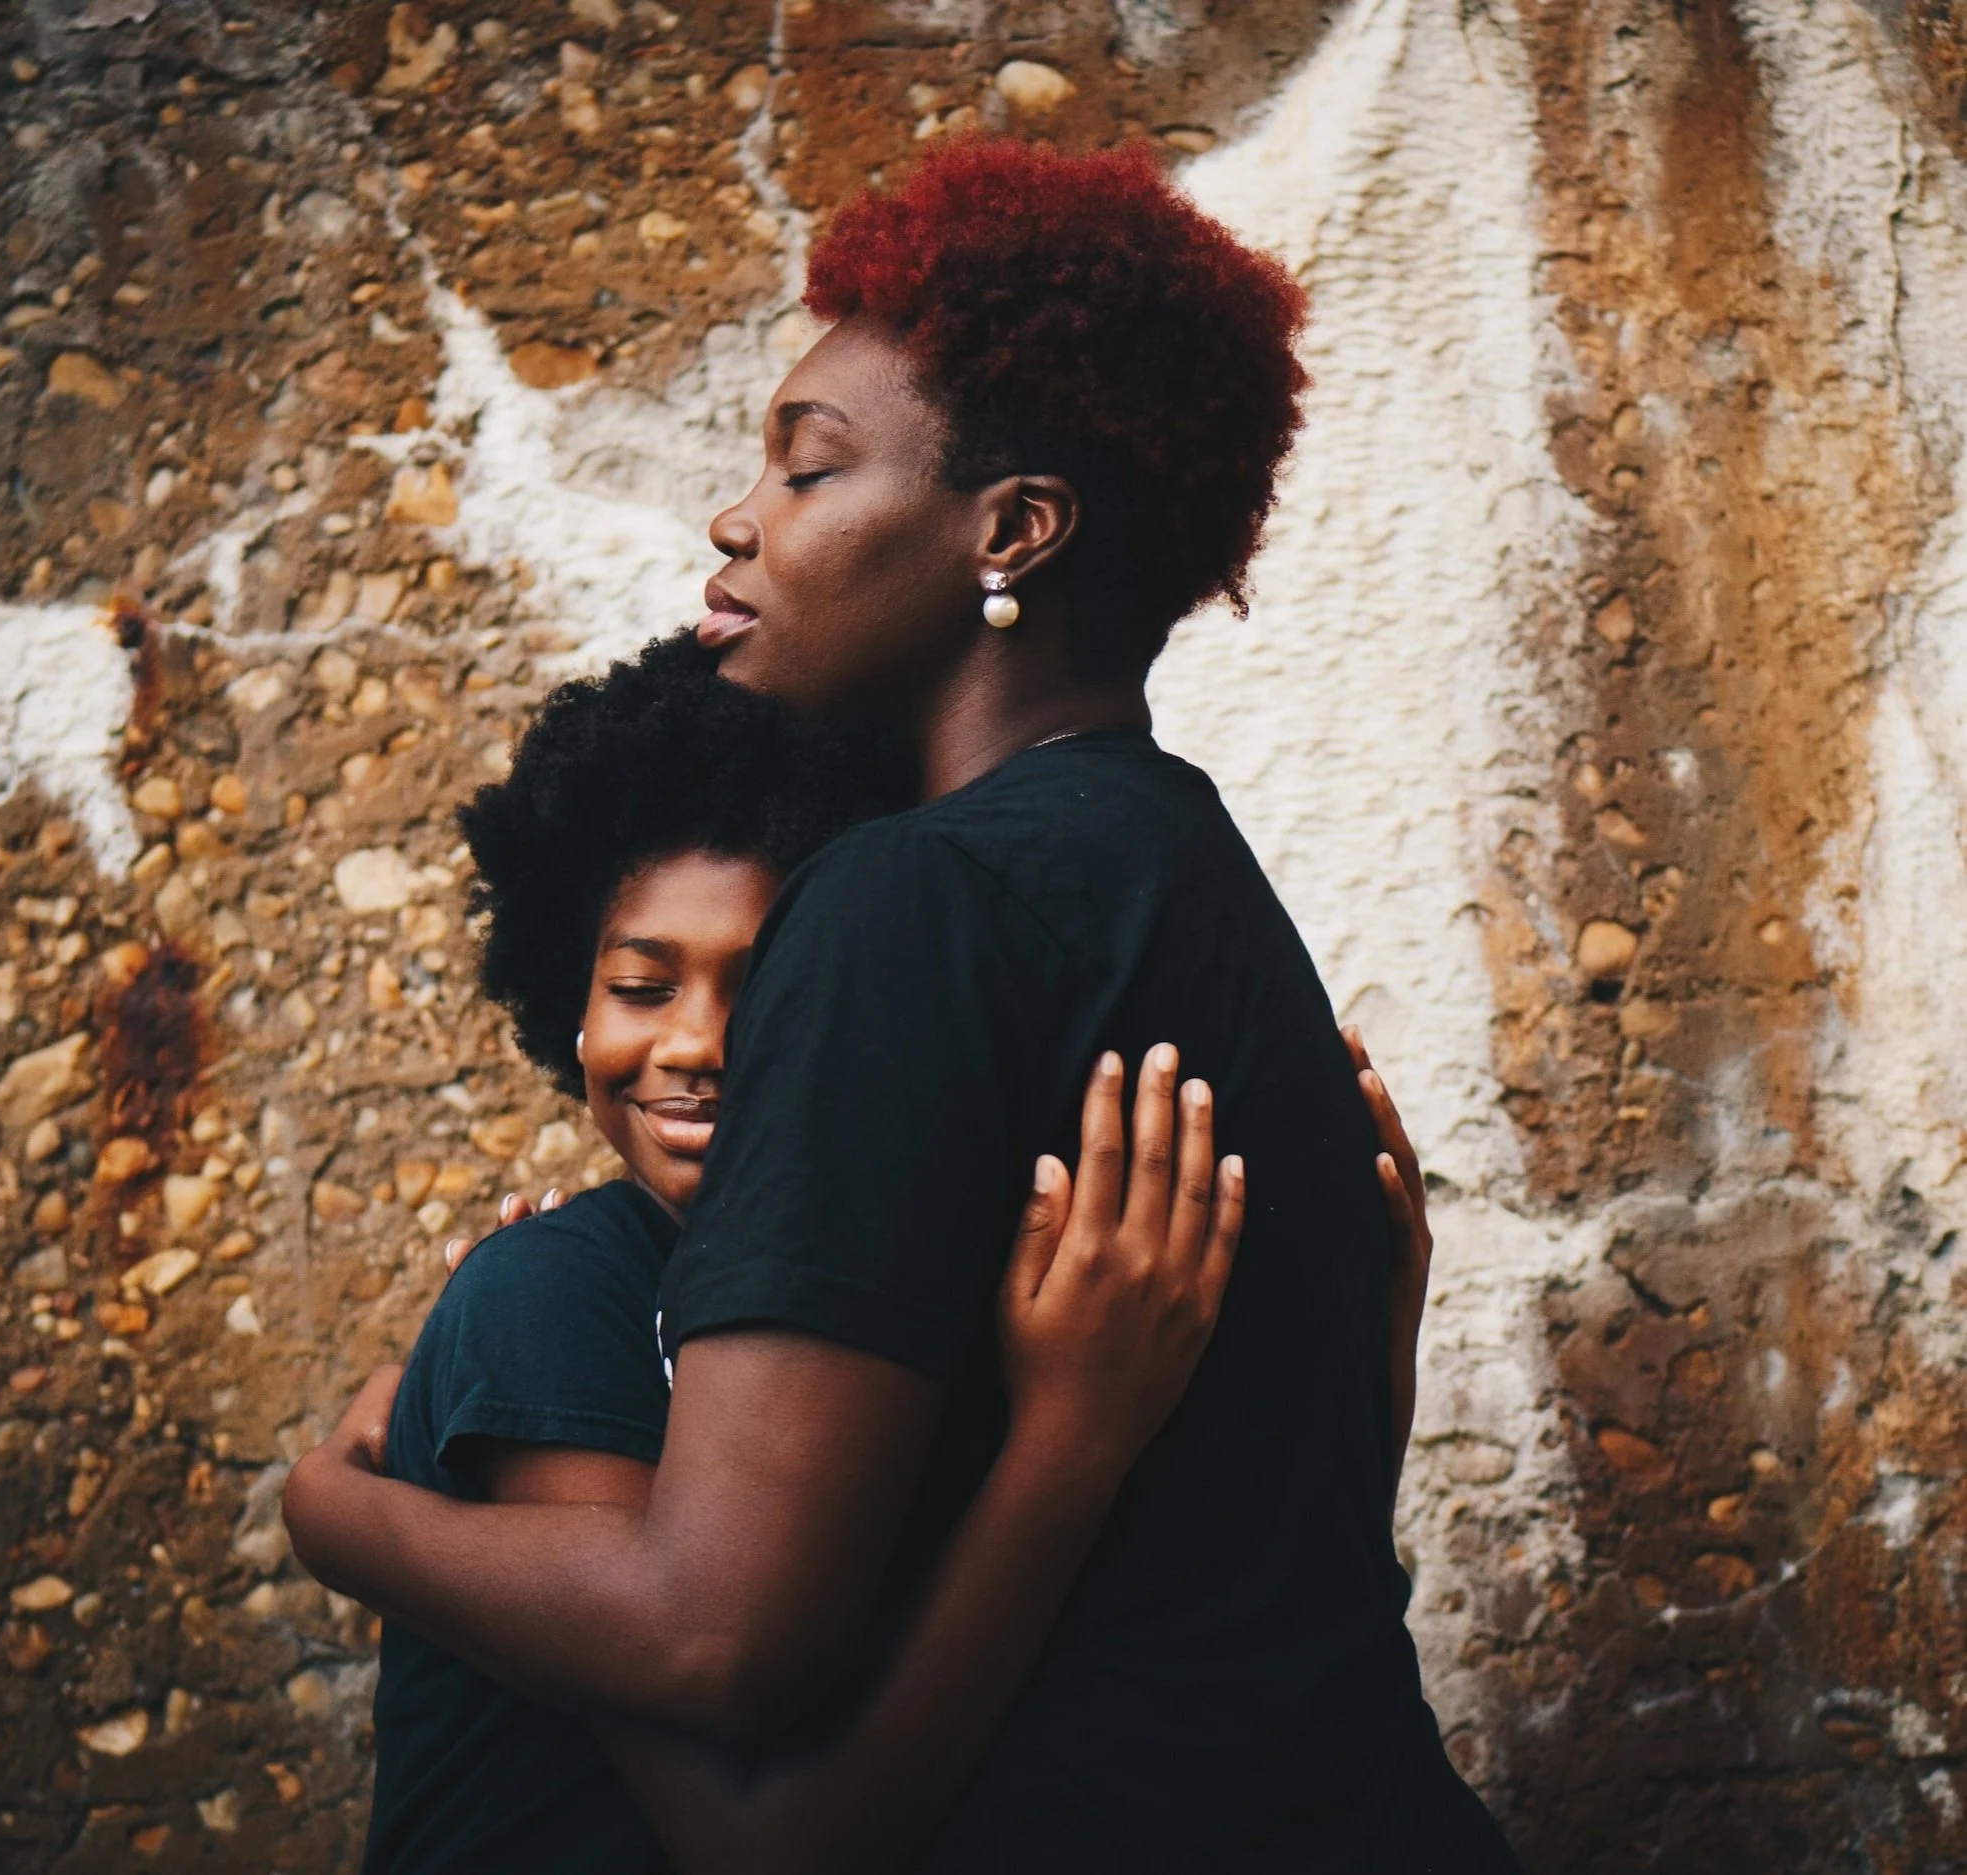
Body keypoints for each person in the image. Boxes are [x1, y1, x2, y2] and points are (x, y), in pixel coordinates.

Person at [287, 137, 1519, 1870]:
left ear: (1010, 530)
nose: (738, 519)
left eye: (806, 468)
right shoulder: (1194, 880)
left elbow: (719, 1636)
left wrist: (335, 1512)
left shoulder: (907, 901)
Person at [364, 633, 1247, 1873]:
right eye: (642, 987)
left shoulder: (890, 1299)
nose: (696, 1044)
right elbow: (769, 1844)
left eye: (767, 986)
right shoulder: (553, 1294)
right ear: (570, 1003)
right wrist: (1072, 1440)